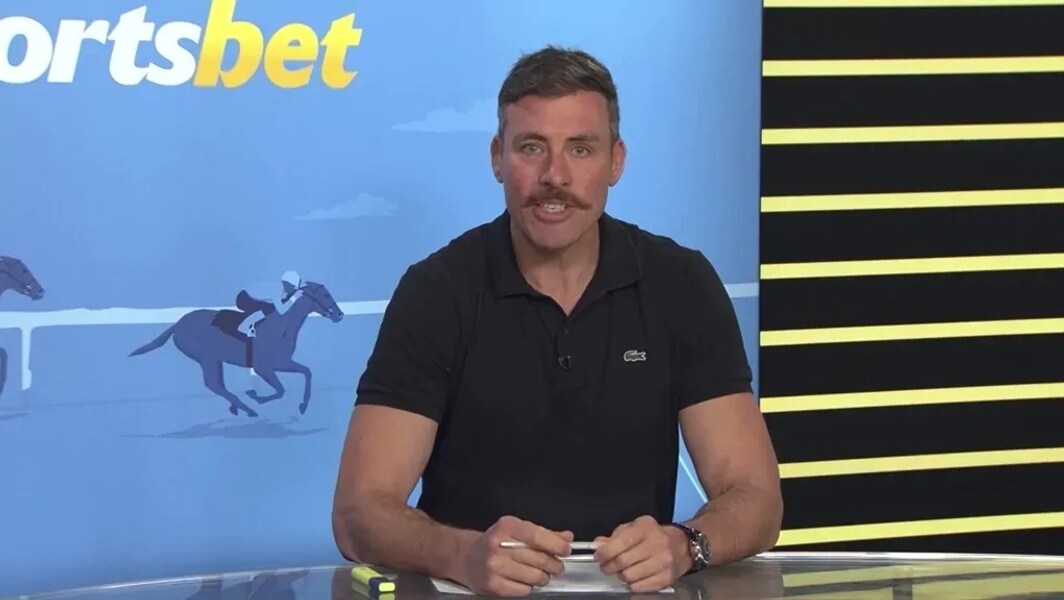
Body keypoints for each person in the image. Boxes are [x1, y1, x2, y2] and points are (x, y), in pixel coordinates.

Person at [332, 46, 782, 596]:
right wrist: (462, 555)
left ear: (616, 161)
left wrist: (686, 545)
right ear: (497, 158)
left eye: (581, 148)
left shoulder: (681, 284)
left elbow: (757, 499)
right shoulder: (437, 291)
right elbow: (358, 513)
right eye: (531, 148)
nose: (555, 176)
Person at [236, 270, 303, 338]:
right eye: (293, 287)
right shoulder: (277, 290)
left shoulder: (280, 288)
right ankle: (244, 326)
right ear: (288, 285)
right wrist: (294, 297)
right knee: (268, 308)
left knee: (270, 307)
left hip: (249, 297)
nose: (294, 290)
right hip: (243, 298)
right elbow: (281, 311)